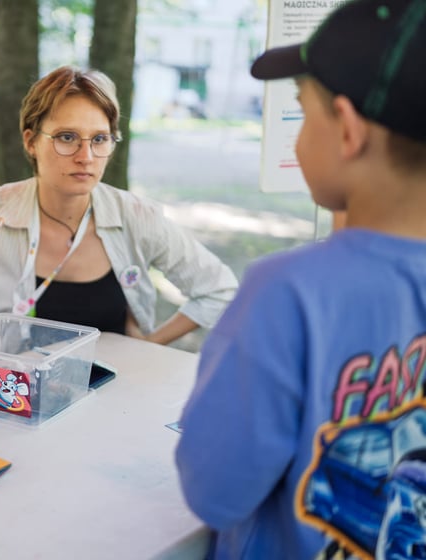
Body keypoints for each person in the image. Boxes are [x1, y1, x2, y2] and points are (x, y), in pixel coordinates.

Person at [175, 1, 426, 558]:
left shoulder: (287, 292)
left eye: (302, 111)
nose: (298, 133)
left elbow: (214, 492)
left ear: (348, 130)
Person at [0, 66, 237, 348]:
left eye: (99, 139)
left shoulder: (136, 216)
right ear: (30, 141)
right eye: (67, 137)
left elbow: (218, 289)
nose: (85, 156)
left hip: (113, 401)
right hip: (9, 404)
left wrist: (149, 346)